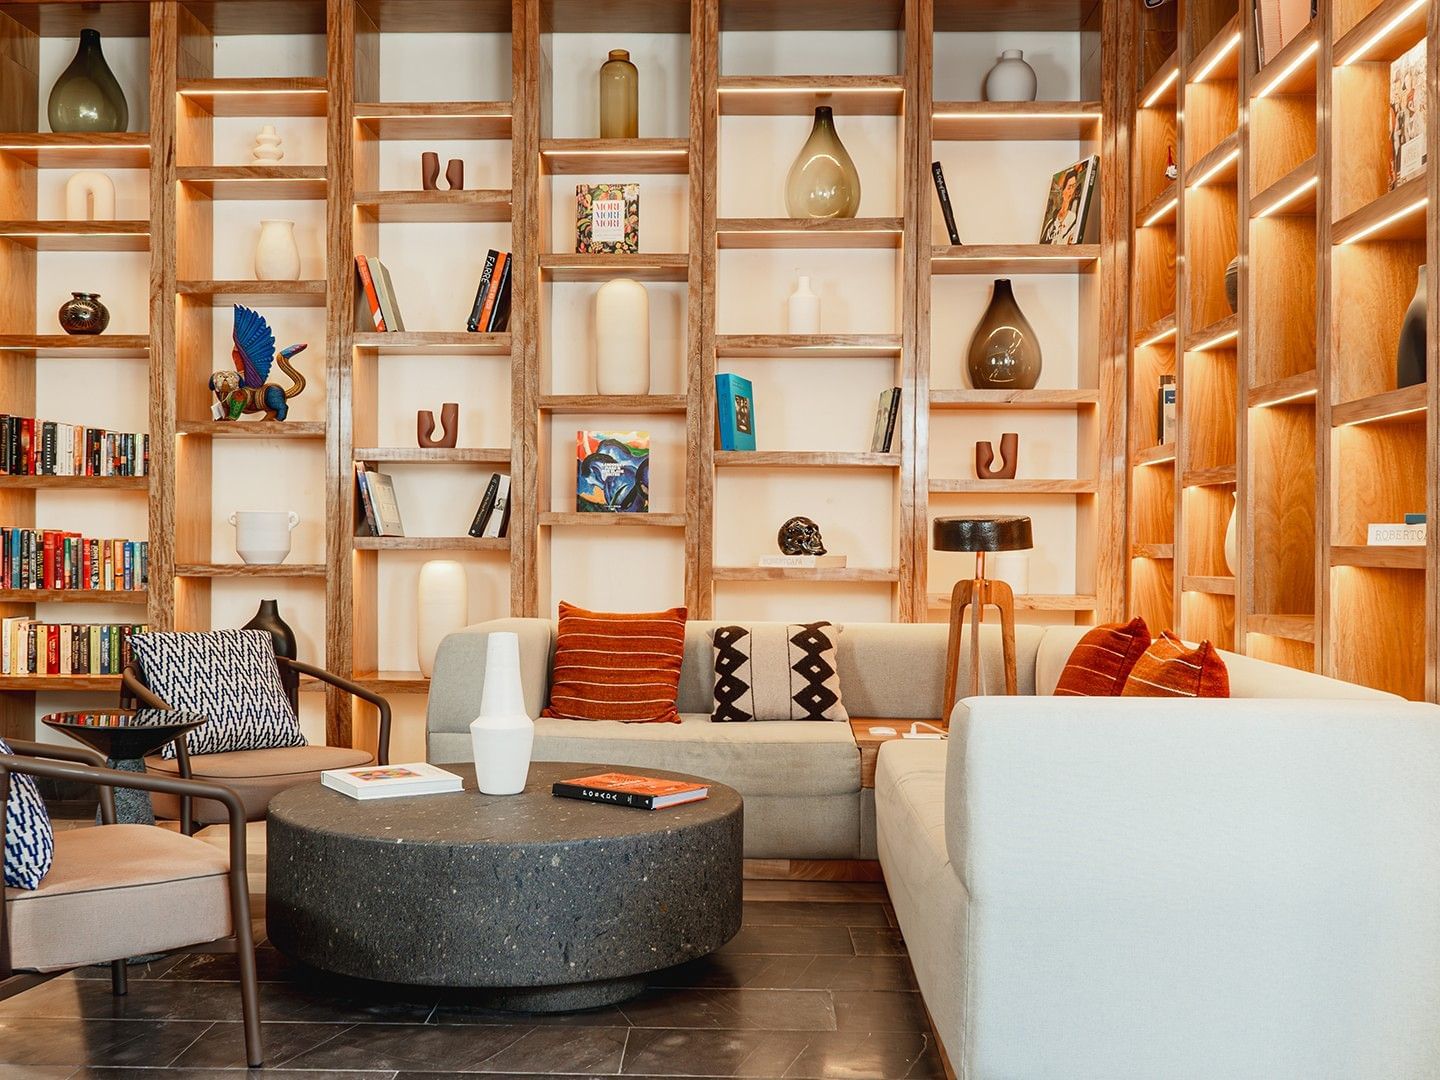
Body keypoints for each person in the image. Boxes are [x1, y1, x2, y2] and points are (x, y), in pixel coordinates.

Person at [1041, 165, 1085, 244]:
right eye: (1069, 187)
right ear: (1062, 191)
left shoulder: (1073, 217)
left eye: (1073, 187)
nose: (1071, 192)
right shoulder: (1051, 222)